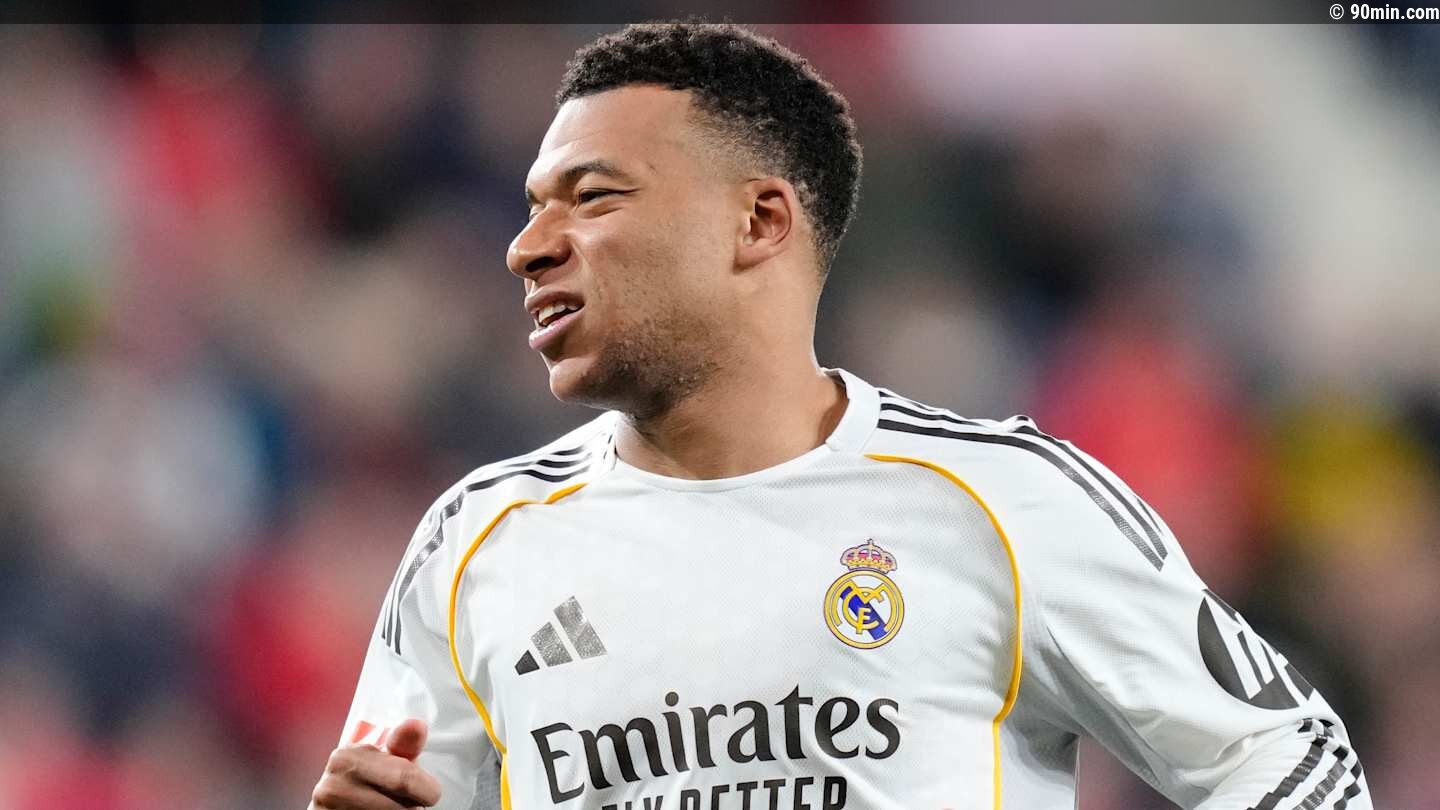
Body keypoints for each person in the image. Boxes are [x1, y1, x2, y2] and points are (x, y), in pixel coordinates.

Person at [310, 22, 1370, 810]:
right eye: (532, 206)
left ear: (759, 221)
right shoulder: (475, 542)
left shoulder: (1002, 502)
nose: (528, 246)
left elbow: (1292, 761)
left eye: (591, 198)